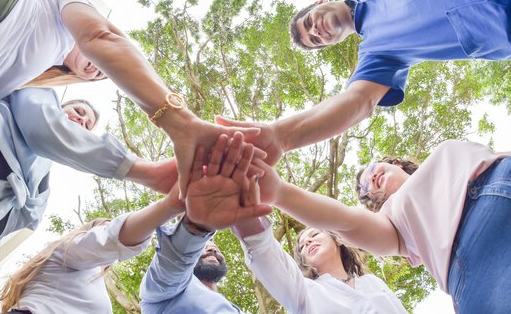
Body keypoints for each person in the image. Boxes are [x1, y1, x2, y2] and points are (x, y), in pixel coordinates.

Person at [0, 0, 259, 194]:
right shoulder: (63, 9)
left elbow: (45, 129)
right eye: (107, 68)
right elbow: (100, 37)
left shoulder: (31, 89)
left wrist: (139, 172)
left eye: (98, 77)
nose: (100, 71)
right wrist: (181, 124)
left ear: (75, 77)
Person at [216, 0, 510, 167]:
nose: (316, 31)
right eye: (315, 40)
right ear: (333, 43)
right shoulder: (378, 54)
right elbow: (357, 101)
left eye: (309, 23)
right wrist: (281, 136)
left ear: (319, 3)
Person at [0, 87, 175, 286]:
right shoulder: (35, 99)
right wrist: (146, 172)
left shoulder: (41, 192)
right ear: (61, 106)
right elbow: (45, 127)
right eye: (79, 112)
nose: (82, 121)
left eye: (87, 126)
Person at [250, 140, 510, 314]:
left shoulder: (372, 284)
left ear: (395, 164)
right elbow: (343, 219)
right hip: (482, 254)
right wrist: (277, 192)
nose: (371, 177)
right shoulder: (393, 221)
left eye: (372, 169)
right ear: (373, 207)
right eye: (366, 188)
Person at [0, 183, 185, 313]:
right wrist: (172, 204)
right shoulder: (69, 251)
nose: (105, 231)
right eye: (103, 227)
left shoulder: (85, 277)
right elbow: (109, 239)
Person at [140, 133, 271, 313]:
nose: (213, 249)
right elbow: (170, 268)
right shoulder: (162, 293)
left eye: (216, 248)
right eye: (205, 246)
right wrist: (198, 227)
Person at [232, 219, 407, 313]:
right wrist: (244, 211)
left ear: (337, 241)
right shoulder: (304, 292)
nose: (307, 241)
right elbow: (263, 249)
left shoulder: (373, 282)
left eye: (315, 234)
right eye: (301, 247)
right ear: (304, 261)